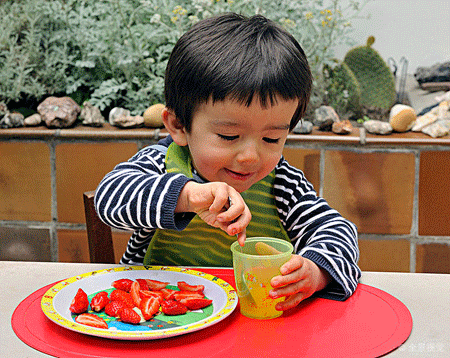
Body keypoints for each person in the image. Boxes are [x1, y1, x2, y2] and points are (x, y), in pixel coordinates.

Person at [95, 13, 361, 311]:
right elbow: (109, 197)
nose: (250, 156)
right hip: (154, 318)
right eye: (228, 135)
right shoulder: (163, 162)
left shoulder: (284, 184)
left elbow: (337, 230)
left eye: (272, 139)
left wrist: (315, 271)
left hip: (252, 325)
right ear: (179, 126)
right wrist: (186, 196)